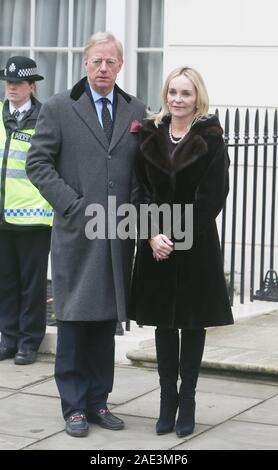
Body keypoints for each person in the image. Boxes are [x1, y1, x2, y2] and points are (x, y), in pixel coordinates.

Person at [26, 32, 145, 437]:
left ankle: (98, 400)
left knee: (104, 322)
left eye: (110, 62)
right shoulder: (60, 107)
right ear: (85, 63)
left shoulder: (136, 110)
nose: (103, 68)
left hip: (116, 235)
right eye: (96, 61)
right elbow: (38, 163)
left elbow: (141, 170)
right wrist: (72, 206)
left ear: (120, 66)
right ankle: (73, 407)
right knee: (75, 319)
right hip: (77, 232)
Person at [129, 66, 234, 437]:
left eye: (185, 93)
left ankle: (187, 398)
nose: (177, 99)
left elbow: (212, 197)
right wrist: (152, 234)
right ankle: (166, 400)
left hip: (196, 245)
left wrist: (175, 235)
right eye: (172, 92)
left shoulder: (212, 138)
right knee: (163, 323)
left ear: (197, 98)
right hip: (156, 246)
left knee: (191, 323)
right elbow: (139, 191)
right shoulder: (149, 135)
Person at [0, 56, 52, 365]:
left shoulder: (45, 119)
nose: (11, 88)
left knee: (32, 285)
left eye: (18, 83)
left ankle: (29, 343)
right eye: (8, 82)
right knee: (5, 282)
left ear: (31, 87)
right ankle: (8, 339)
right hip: (2, 217)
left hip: (34, 217)